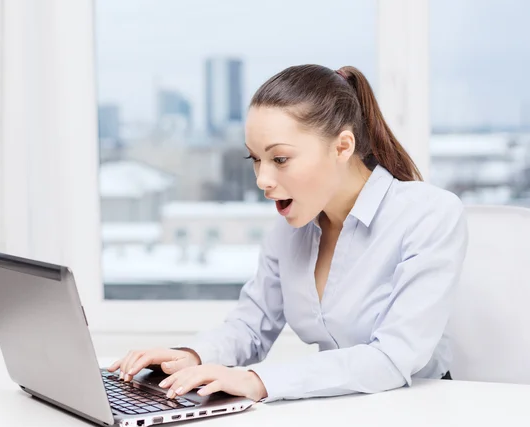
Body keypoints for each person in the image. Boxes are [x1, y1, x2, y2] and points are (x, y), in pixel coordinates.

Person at [107, 64, 468, 403]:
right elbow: (251, 325)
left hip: (422, 411)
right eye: (255, 160)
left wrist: (258, 381)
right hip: (342, 408)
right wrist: (191, 357)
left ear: (343, 146)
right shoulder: (290, 230)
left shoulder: (428, 214)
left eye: (280, 159)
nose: (262, 180)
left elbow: (393, 357)